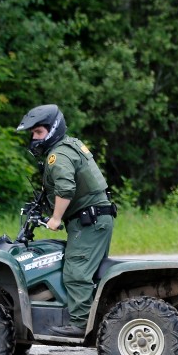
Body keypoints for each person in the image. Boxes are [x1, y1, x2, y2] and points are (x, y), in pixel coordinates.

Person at [16, 105, 116, 338]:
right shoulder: (69, 144)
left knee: (76, 271)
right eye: (32, 134)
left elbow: (66, 189)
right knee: (82, 269)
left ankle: (81, 325)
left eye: (38, 132)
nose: (34, 138)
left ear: (52, 130)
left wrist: (55, 218)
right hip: (94, 218)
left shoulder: (57, 156)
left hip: (89, 221)